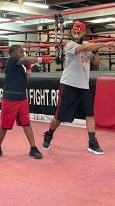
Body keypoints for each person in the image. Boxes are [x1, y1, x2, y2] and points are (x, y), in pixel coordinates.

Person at [42, 21, 115, 155]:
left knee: (90, 115)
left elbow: (97, 62)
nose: (76, 35)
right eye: (74, 32)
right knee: (59, 117)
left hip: (84, 87)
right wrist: (103, 44)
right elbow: (81, 49)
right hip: (69, 85)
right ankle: (49, 135)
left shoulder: (88, 46)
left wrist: (96, 49)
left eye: (79, 32)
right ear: (71, 33)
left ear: (83, 33)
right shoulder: (70, 45)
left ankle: (92, 143)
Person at [0, 44, 53, 160]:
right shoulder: (11, 60)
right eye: (21, 52)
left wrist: (28, 69)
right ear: (13, 53)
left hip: (22, 99)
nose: (23, 54)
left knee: (26, 124)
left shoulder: (20, 67)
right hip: (10, 100)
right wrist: (41, 59)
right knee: (4, 126)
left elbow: (26, 80)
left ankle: (33, 148)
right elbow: (26, 59)